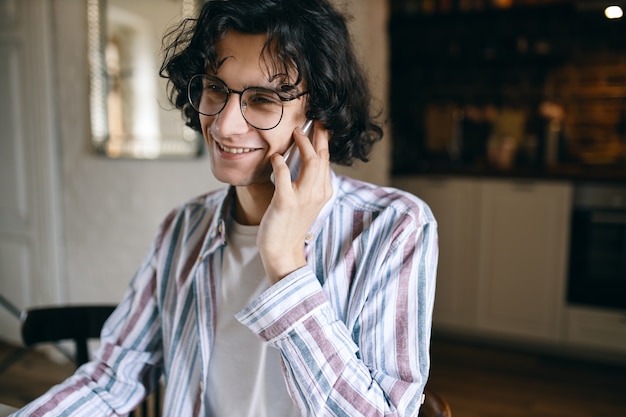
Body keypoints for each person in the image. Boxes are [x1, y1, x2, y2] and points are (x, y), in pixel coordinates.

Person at [13, 0, 438, 416]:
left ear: (318, 117)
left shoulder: (392, 227)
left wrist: (286, 264)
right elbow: (112, 379)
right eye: (216, 89)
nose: (223, 124)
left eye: (263, 100)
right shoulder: (183, 227)